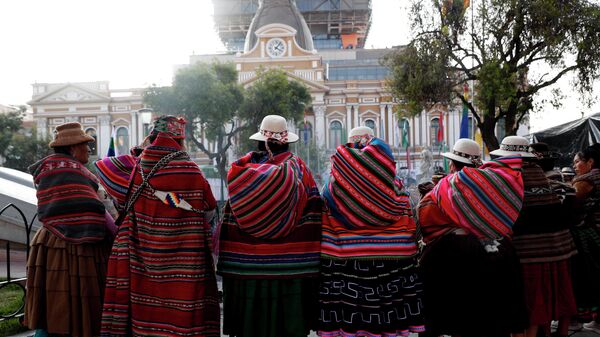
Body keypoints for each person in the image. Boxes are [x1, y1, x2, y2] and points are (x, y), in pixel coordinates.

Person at [100, 115, 220, 336]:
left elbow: (112, 177)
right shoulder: (190, 169)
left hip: (142, 256)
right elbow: (209, 209)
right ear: (179, 140)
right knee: (182, 309)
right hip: (185, 260)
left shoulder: (138, 168)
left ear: (153, 137)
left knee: (147, 309)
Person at [216, 115, 322, 337]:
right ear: (287, 141)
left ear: (260, 141)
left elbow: (229, 217)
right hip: (292, 269)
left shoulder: (240, 173)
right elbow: (313, 213)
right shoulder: (300, 170)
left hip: (247, 269)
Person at [317, 126, 425, 336]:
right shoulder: (398, 188)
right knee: (386, 326)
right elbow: (410, 225)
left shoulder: (331, 189)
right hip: (390, 269)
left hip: (346, 268)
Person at [418, 137, 528, 337]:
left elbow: (425, 219)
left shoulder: (442, 188)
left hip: (451, 254)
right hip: (495, 250)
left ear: (452, 165)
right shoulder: (495, 186)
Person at [25, 122, 113, 337]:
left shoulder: (51, 167)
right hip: (76, 244)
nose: (89, 150)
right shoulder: (71, 171)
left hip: (49, 241)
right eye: (85, 145)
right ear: (73, 148)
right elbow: (93, 207)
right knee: (76, 296)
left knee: (54, 299)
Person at [511, 142, 578, 337]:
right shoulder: (562, 187)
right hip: (560, 246)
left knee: (535, 302)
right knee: (559, 295)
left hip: (530, 253)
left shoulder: (518, 184)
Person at [570, 144, 600, 334]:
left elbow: (571, 204)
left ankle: (587, 319)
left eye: (578, 162)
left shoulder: (586, 180)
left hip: (590, 235)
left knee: (588, 276)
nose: (575, 166)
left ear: (590, 162)